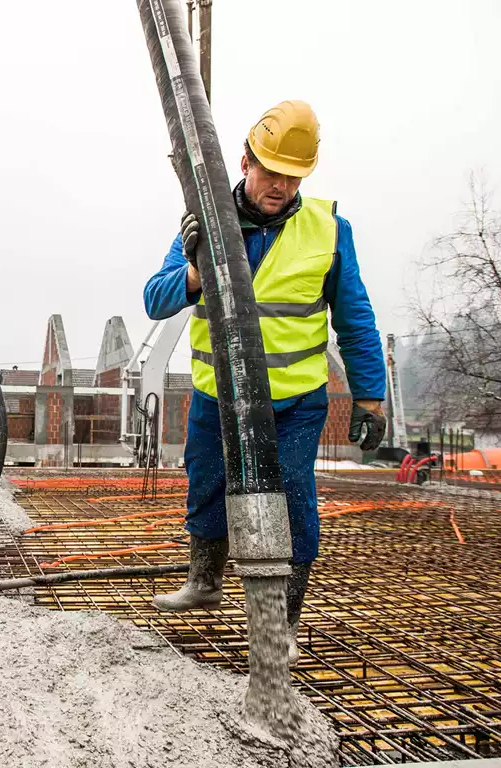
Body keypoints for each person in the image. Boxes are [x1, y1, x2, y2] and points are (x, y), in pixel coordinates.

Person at [142, 101, 387, 664]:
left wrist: (370, 399)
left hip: (294, 402)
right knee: (206, 484)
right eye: (270, 171)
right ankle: (205, 581)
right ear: (245, 161)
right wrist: (195, 270)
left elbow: (356, 321)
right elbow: (155, 299)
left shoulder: (328, 230)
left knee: (293, 499)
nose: (279, 185)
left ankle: (282, 623)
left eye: (292, 175)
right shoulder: (203, 224)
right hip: (217, 394)